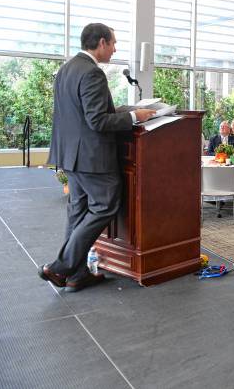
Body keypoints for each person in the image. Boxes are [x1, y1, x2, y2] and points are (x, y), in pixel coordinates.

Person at [40, 23, 156, 292]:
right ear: (101, 43)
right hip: (92, 158)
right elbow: (96, 121)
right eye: (113, 43)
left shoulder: (67, 69)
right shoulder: (92, 73)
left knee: (78, 211)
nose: (115, 49)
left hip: (70, 155)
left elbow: (80, 114)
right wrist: (132, 117)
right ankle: (60, 267)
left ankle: (76, 274)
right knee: (105, 206)